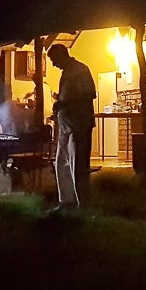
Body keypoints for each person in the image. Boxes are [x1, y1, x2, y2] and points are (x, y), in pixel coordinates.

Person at [47, 43, 96, 207]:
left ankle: (83, 204)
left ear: (62, 55)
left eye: (54, 60)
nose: (53, 64)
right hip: (66, 126)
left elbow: (89, 93)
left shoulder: (80, 70)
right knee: (62, 163)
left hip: (79, 125)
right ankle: (66, 201)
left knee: (78, 165)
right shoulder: (68, 72)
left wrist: (64, 103)